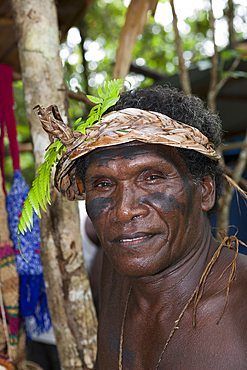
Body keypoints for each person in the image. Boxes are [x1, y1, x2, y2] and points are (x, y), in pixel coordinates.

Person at [38, 85, 247, 369]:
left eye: (152, 177)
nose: (123, 211)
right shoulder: (120, 271)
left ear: (205, 191)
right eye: (103, 184)